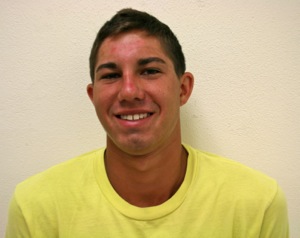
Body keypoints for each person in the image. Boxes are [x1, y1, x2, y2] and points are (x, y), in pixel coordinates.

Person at [6, 8, 289, 237]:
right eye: (111, 75)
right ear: (93, 96)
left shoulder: (257, 204)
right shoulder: (36, 208)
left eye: (150, 70)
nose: (129, 92)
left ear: (183, 89)